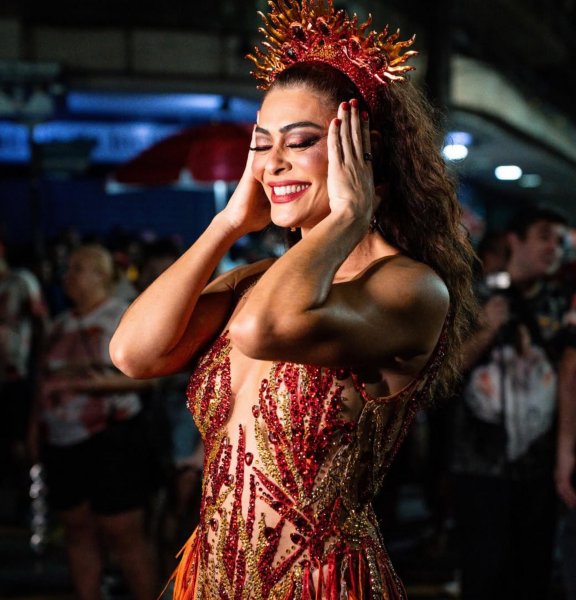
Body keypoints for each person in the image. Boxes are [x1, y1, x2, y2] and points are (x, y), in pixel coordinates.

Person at [109, 1, 477, 597]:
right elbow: (133, 353)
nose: (273, 163)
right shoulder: (258, 280)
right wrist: (227, 223)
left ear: (364, 153)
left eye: (299, 141)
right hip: (213, 581)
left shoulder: (410, 287)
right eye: (261, 144)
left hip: (320, 584)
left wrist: (349, 217)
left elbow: (264, 330)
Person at [452, 205, 575, 600]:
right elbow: (442, 374)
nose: (553, 247)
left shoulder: (559, 304)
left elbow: (568, 379)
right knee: (485, 574)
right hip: (480, 467)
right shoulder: (475, 296)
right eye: (543, 237)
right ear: (514, 241)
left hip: (540, 468)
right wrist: (486, 331)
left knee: (532, 574)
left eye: (558, 240)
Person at [31, 245, 158, 600]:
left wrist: (93, 385)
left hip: (111, 437)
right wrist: (34, 431)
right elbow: (42, 383)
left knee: (122, 531)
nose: (67, 276)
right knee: (77, 528)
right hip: (63, 440)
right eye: (68, 268)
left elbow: (150, 377)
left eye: (78, 268)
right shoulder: (60, 324)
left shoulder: (123, 315)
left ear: (102, 275)